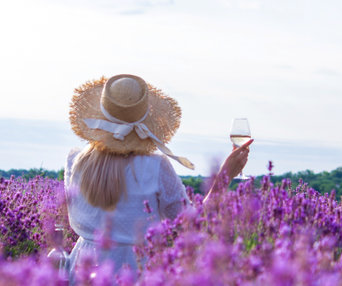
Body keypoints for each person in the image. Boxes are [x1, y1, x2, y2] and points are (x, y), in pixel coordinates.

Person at [64, 74, 252, 282]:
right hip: (134, 271)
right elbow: (188, 226)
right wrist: (225, 177)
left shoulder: (75, 161)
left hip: (83, 270)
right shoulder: (155, 167)